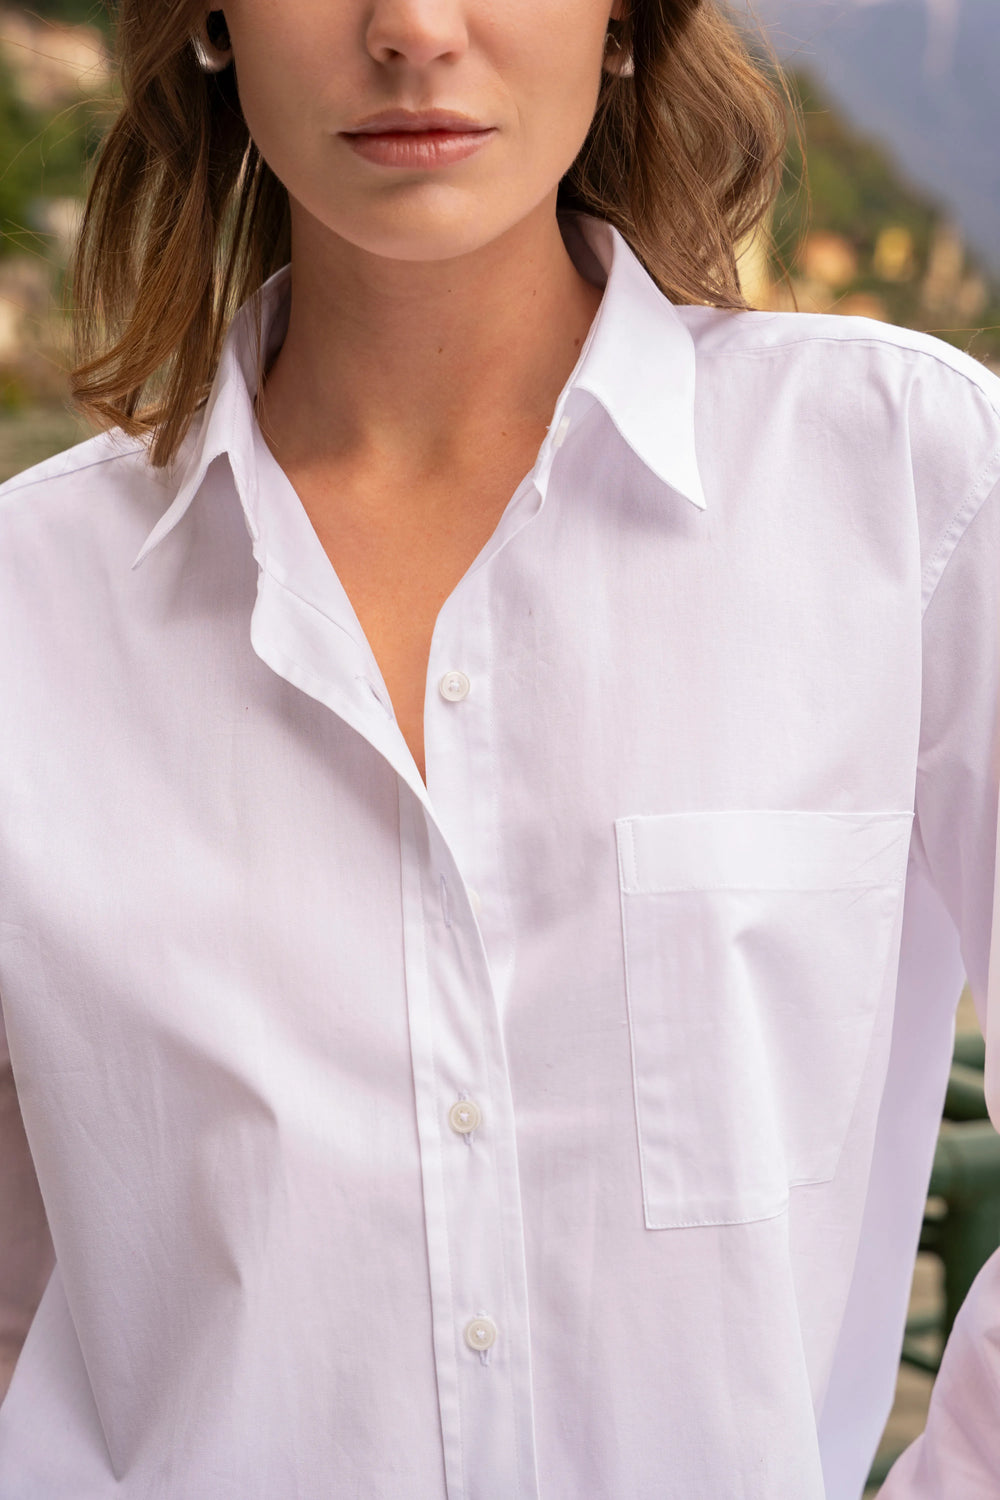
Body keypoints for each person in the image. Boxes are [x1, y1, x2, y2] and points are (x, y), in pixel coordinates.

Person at [0, 0, 997, 1493]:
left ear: (624, 20)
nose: (412, 28)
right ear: (208, 19)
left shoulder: (913, 489)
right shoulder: (30, 606)